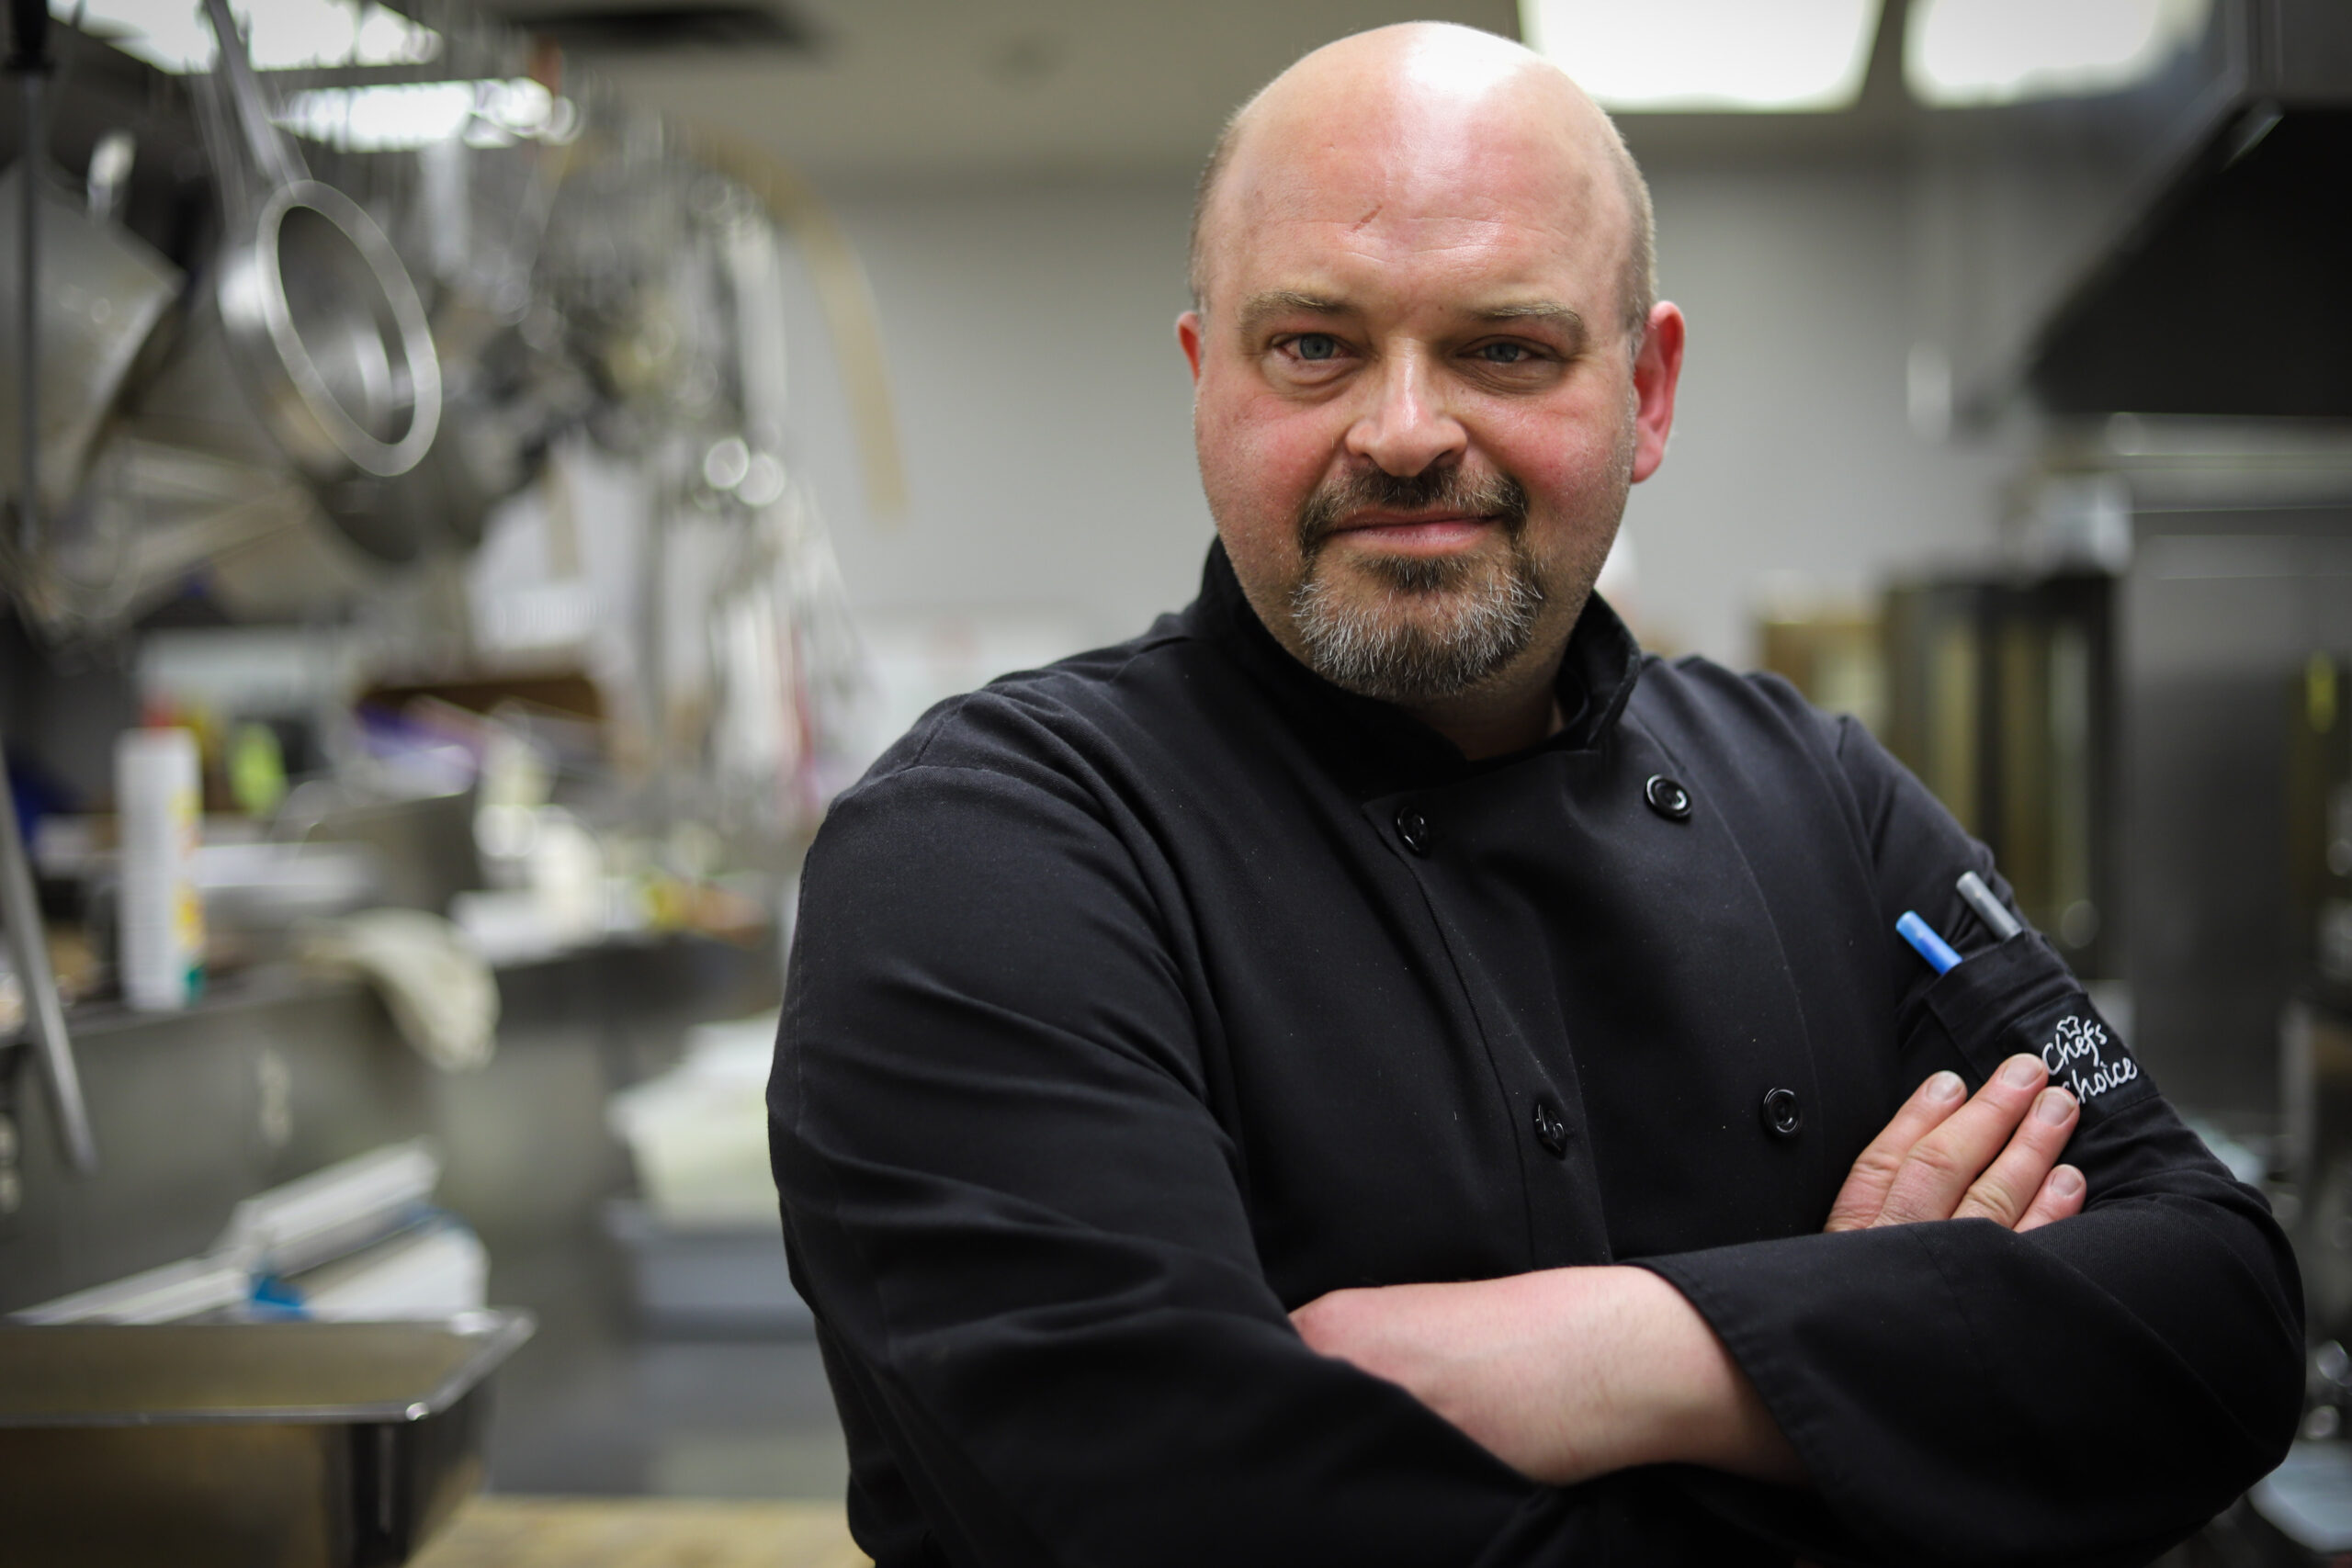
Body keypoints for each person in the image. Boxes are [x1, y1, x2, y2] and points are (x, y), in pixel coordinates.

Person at [770, 23, 2301, 1566]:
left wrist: (1617, 1350)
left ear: (1647, 389)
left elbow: (2222, 1319)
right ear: (1204, 380)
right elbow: (1189, 1518)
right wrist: (1887, 1377)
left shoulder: (1823, 801)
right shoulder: (989, 848)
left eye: (1506, 347)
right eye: (1315, 344)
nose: (1407, 429)